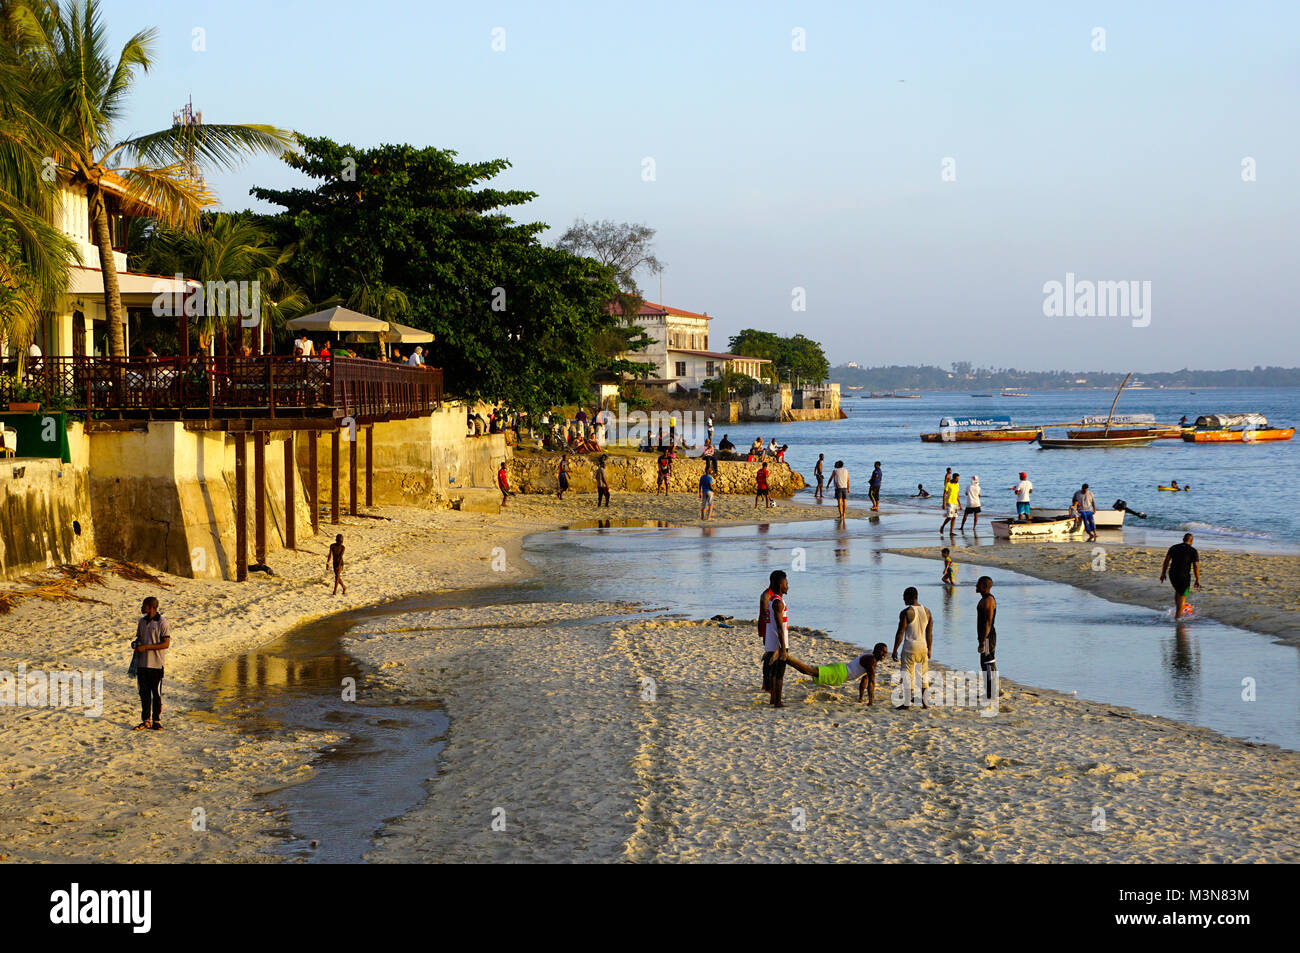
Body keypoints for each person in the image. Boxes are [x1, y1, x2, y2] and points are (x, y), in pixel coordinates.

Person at [782, 644, 889, 705]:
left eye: (885, 652)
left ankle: (785, 658)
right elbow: (872, 681)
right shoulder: (871, 660)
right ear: (875, 650)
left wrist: (861, 698)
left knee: (809, 671)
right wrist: (871, 701)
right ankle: (786, 657)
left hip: (840, 668)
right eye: (882, 651)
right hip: (840, 672)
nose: (884, 654)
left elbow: (865, 680)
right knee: (808, 671)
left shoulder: (871, 659)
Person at [132, 596, 171, 731]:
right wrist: (136, 644)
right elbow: (139, 637)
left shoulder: (162, 622)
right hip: (142, 664)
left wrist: (146, 647)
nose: (142, 608)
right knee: (144, 694)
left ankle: (156, 721)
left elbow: (166, 644)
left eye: (144, 605)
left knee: (156, 694)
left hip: (156, 665)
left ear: (151, 607)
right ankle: (146, 720)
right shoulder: (141, 622)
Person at [891, 587, 933, 709]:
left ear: (911, 597)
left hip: (910, 647)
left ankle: (906, 703)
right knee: (923, 675)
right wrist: (929, 649)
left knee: (907, 674)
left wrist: (895, 649)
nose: (903, 598)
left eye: (904, 596)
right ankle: (925, 703)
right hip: (923, 646)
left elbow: (900, 632)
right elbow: (929, 633)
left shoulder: (906, 612)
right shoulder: (927, 611)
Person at [759, 570, 790, 707]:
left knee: (775, 672)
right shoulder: (777, 602)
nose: (788, 586)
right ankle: (777, 701)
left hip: (773, 642)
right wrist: (783, 648)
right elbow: (779, 627)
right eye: (786, 583)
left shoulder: (774, 600)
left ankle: (773, 699)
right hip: (777, 642)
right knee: (779, 674)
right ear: (780, 584)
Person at [1159, 532, 1201, 618]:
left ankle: (1178, 610)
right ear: (1192, 541)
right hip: (1184, 575)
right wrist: (1197, 579)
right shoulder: (1193, 550)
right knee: (1183, 596)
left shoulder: (1173, 547)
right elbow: (1196, 566)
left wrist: (1163, 573)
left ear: (1183, 539)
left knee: (1178, 591)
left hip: (1172, 574)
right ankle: (1178, 618)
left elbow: (1166, 561)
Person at [976, 576, 998, 702]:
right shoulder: (984, 599)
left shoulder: (988, 600)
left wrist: (983, 640)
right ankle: (988, 691)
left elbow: (988, 622)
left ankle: (992, 693)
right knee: (984, 663)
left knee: (989, 662)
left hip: (988, 636)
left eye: (978, 584)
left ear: (984, 586)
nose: (976, 586)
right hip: (984, 636)